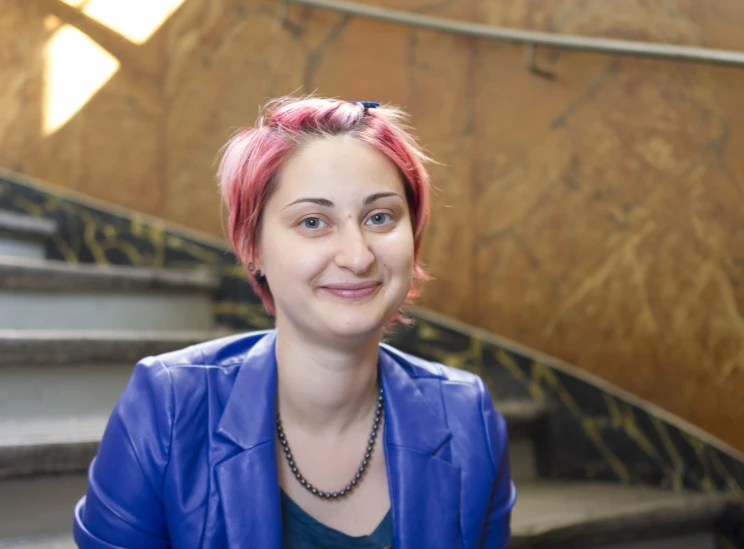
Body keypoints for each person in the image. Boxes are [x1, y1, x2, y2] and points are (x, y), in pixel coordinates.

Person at [73, 97, 516, 548]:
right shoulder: (165, 407)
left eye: (380, 217)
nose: (358, 256)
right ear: (252, 248)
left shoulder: (468, 418)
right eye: (312, 221)